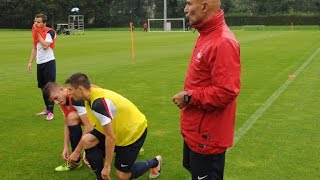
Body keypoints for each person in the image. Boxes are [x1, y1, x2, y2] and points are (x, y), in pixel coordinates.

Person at [172, 0, 241, 179]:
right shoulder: (205, 34)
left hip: (208, 137)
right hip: (196, 131)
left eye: (188, 4)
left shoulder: (223, 42)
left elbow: (226, 92)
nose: (185, 9)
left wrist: (188, 97)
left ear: (204, 6)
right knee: (190, 166)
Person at [64, 72, 162, 180]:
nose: (69, 93)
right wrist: (77, 152)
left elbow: (110, 138)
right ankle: (100, 178)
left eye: (70, 89)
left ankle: (155, 162)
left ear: (80, 89)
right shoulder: (90, 92)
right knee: (87, 140)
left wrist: (107, 167)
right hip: (117, 126)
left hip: (132, 131)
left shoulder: (98, 104)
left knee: (122, 175)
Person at [42, 82, 93, 171]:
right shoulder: (63, 101)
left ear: (62, 89)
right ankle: (76, 161)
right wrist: (65, 147)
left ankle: (89, 152)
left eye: (56, 98)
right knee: (71, 118)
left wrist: (77, 152)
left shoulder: (75, 96)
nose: (56, 102)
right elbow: (67, 123)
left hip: (107, 122)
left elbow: (89, 126)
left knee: (97, 155)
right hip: (96, 121)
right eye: (53, 101)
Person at [27, 13, 57, 121]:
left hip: (49, 62)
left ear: (44, 23)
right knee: (42, 88)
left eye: (38, 22)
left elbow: (45, 46)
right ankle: (47, 109)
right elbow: (35, 48)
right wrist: (30, 62)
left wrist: (37, 32)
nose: (36, 24)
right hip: (40, 64)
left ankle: (51, 112)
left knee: (49, 88)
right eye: (35, 21)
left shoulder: (50, 32)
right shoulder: (37, 33)